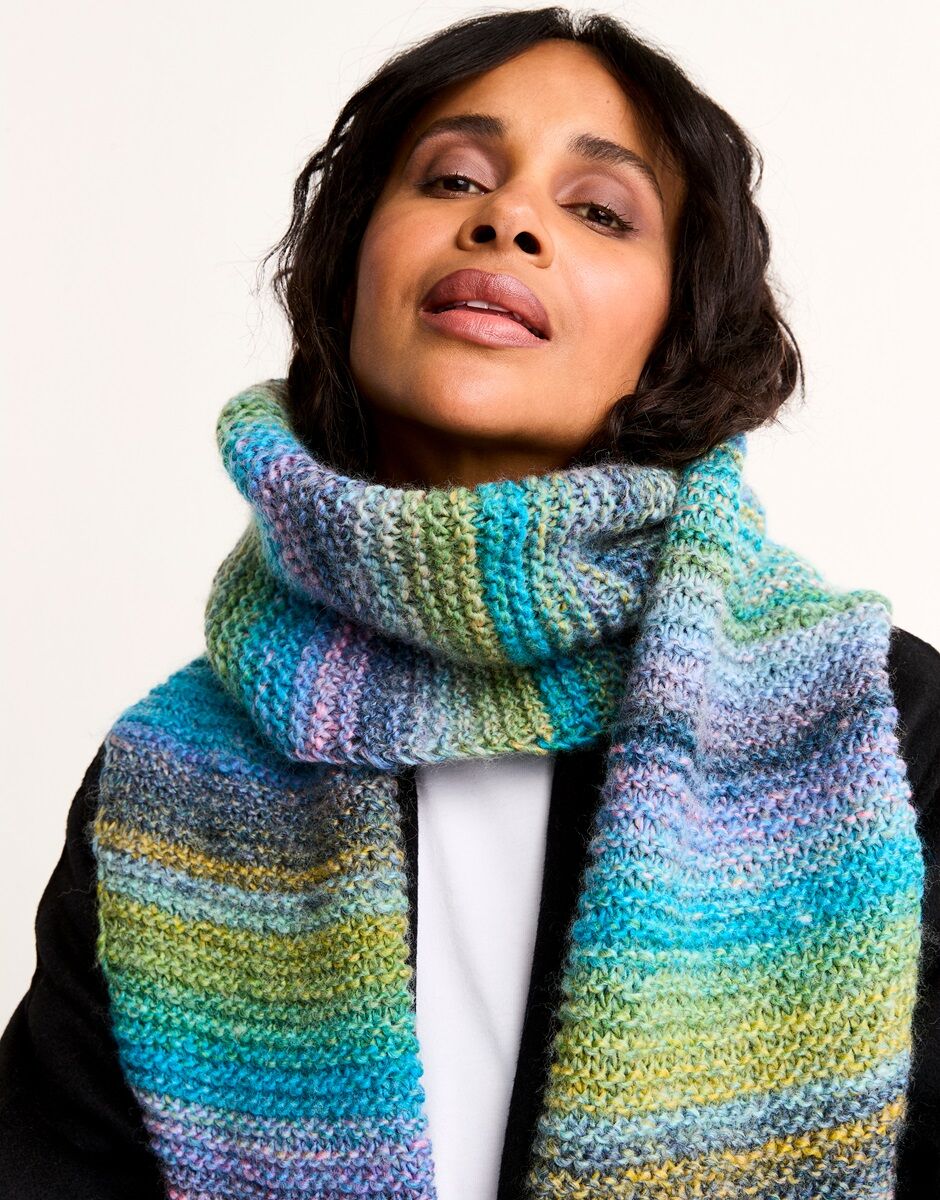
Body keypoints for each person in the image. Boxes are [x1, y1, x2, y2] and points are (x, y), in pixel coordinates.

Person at [1, 7, 938, 1200]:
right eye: (452, 179)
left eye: (600, 210)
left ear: (676, 329)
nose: (507, 220)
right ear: (352, 264)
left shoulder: (882, 723)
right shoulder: (168, 780)